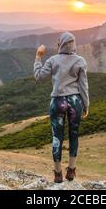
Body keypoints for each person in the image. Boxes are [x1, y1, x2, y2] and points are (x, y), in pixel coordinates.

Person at [34, 31, 89, 183]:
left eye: (59, 43)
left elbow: (38, 76)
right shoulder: (80, 61)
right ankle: (71, 171)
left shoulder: (53, 60)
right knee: (74, 135)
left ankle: (58, 174)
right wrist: (86, 104)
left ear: (62, 44)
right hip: (75, 101)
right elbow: (83, 86)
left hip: (58, 101)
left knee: (57, 137)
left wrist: (38, 56)